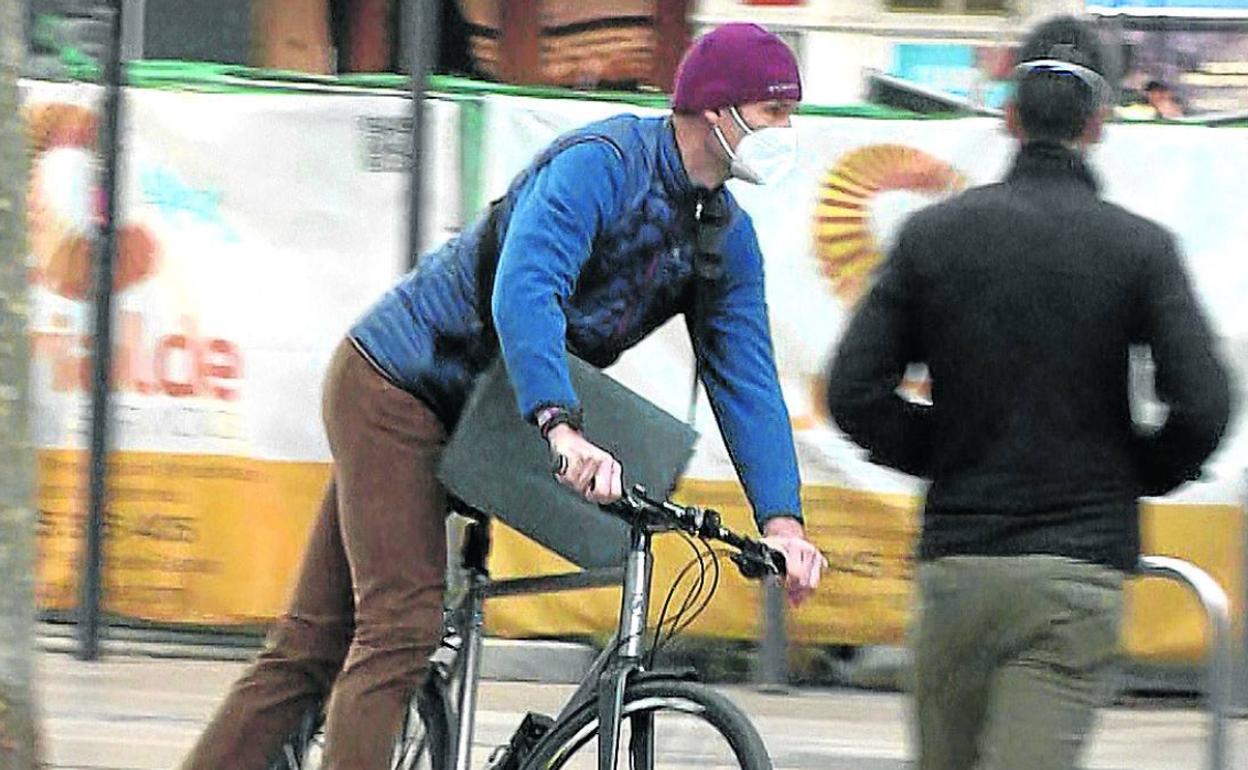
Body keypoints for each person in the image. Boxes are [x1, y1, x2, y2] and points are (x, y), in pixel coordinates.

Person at [180, 22, 826, 770]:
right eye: (776, 112)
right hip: (398, 386)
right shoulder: (602, 164)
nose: (787, 133)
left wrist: (783, 522)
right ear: (718, 109)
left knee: (311, 642)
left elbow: (746, 378)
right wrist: (559, 423)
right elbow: (526, 288)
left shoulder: (723, 237)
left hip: (484, 416)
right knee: (400, 627)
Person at [825, 15, 1231, 770]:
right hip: (1076, 573)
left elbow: (854, 392)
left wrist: (946, 450)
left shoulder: (933, 237)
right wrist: (1129, 472)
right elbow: (1204, 405)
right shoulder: (1139, 249)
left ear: (1009, 116)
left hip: (959, 566)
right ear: (1099, 123)